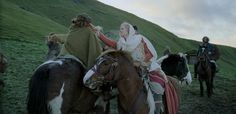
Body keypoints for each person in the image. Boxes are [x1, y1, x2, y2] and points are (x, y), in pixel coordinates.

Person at [93, 22, 178, 114]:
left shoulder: (139, 39)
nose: (120, 30)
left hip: (143, 66)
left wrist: (140, 62)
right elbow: (113, 44)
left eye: (122, 28)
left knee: (157, 84)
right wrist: (99, 34)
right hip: (129, 68)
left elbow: (151, 53)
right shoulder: (122, 42)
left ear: (128, 30)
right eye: (120, 28)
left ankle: (158, 108)